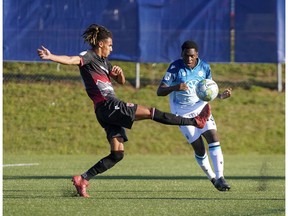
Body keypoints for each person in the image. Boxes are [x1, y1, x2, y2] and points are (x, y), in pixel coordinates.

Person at [37, 24, 211, 197]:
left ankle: (83, 179)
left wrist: (119, 74)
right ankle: (194, 121)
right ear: (101, 44)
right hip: (109, 105)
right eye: (110, 45)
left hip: (105, 111)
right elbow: (72, 59)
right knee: (152, 113)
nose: (111, 49)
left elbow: (121, 81)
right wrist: (51, 56)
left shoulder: (104, 62)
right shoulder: (88, 56)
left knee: (117, 154)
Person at [157, 40, 232, 191]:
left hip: (201, 108)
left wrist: (220, 96)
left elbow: (208, 90)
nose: (189, 59)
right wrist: (175, 87)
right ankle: (213, 178)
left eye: (192, 56)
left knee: (213, 137)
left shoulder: (204, 67)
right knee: (199, 149)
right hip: (182, 113)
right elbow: (160, 91)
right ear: (182, 54)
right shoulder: (175, 67)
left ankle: (221, 177)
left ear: (197, 54)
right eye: (186, 56)